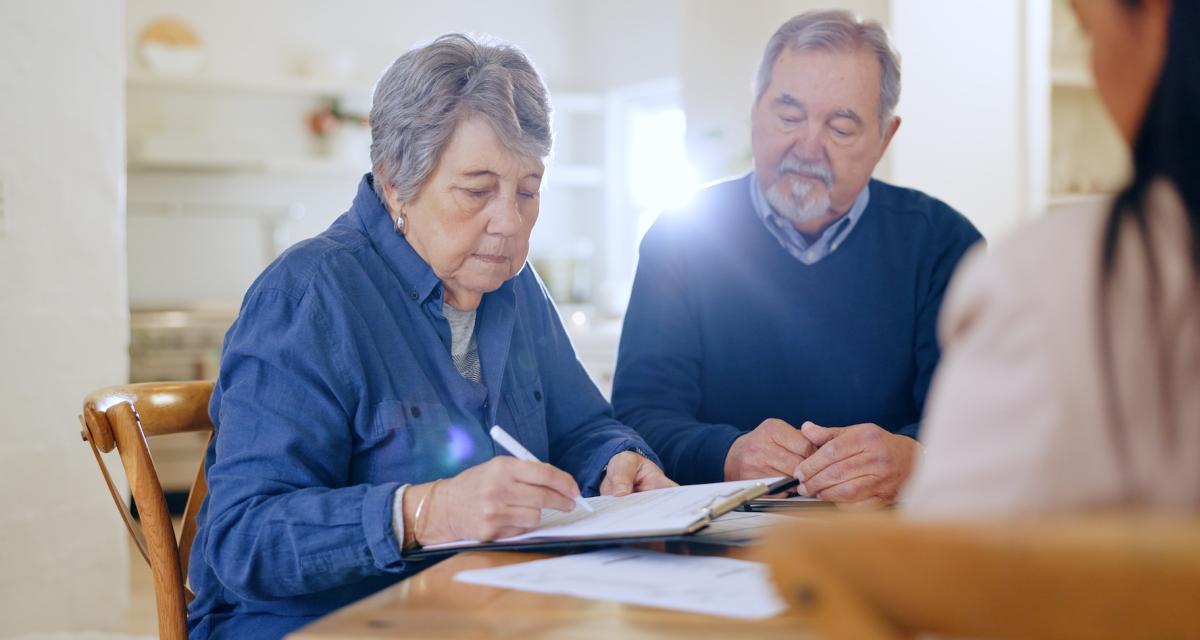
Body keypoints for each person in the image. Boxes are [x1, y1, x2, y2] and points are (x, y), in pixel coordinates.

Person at [187, 34, 673, 639]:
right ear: (397, 184)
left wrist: (618, 462)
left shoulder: (515, 288)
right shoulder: (309, 297)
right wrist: (425, 512)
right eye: (477, 190)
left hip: (484, 612)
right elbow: (243, 537)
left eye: (528, 190)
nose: (510, 221)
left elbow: (583, 428)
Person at [612, 10, 982, 506]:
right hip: (712, 538)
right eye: (789, 116)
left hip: (891, 542)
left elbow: (980, 423)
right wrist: (727, 453)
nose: (807, 147)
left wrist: (915, 457)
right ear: (755, 111)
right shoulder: (679, 237)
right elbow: (639, 418)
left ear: (884, 138)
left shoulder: (944, 246)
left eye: (841, 127)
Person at [903, 0, 1200, 513]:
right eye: (789, 112)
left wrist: (912, 452)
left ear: (1153, 18)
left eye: (1089, 34)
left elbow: (943, 573)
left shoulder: (1042, 283)